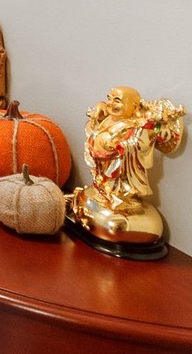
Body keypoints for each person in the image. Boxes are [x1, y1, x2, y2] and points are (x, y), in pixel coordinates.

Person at [68, 86, 186, 251]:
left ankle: (122, 199)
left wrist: (124, 144)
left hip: (122, 169)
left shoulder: (138, 127)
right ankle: (106, 192)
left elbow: (146, 140)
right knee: (104, 183)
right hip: (104, 168)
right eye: (109, 98)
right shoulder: (111, 119)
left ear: (134, 108)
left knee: (120, 186)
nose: (111, 104)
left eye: (117, 100)